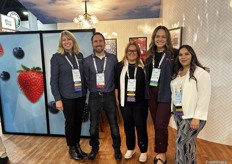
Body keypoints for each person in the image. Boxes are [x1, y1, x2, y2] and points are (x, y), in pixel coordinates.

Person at [83, 32, 122, 160]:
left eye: (100, 41)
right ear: (92, 44)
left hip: (109, 96)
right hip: (94, 97)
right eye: (95, 41)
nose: (98, 43)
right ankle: (94, 148)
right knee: (93, 127)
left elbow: (117, 78)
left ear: (104, 43)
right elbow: (86, 80)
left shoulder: (112, 58)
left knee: (114, 126)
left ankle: (117, 149)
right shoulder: (87, 61)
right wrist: (94, 89)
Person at [50, 30, 87, 161]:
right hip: (66, 96)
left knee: (78, 122)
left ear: (73, 41)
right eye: (64, 40)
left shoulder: (80, 55)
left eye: (69, 39)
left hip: (80, 95)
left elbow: (84, 75)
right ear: (61, 43)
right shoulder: (56, 57)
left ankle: (77, 145)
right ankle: (71, 147)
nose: (66, 42)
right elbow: (53, 81)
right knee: (70, 122)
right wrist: (58, 100)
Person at [170, 45, 211, 164]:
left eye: (186, 54)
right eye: (181, 54)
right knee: (188, 143)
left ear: (192, 55)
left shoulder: (201, 73)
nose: (183, 57)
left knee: (181, 142)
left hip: (193, 116)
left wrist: (197, 117)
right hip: (179, 113)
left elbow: (205, 96)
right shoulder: (178, 72)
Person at [145, 25, 178, 164]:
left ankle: (162, 153)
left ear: (167, 38)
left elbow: (187, 62)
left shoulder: (173, 53)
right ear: (153, 38)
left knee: (160, 124)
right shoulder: (149, 55)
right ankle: (159, 151)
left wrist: (200, 67)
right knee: (156, 124)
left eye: (163, 36)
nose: (160, 39)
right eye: (157, 36)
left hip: (165, 94)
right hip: (151, 95)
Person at [115, 41, 148, 162]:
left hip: (140, 103)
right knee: (128, 126)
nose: (132, 53)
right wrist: (117, 100)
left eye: (134, 51)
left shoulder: (144, 65)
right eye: (130, 51)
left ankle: (143, 150)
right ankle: (131, 148)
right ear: (126, 52)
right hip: (126, 103)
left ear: (138, 53)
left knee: (141, 126)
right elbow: (116, 85)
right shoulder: (119, 66)